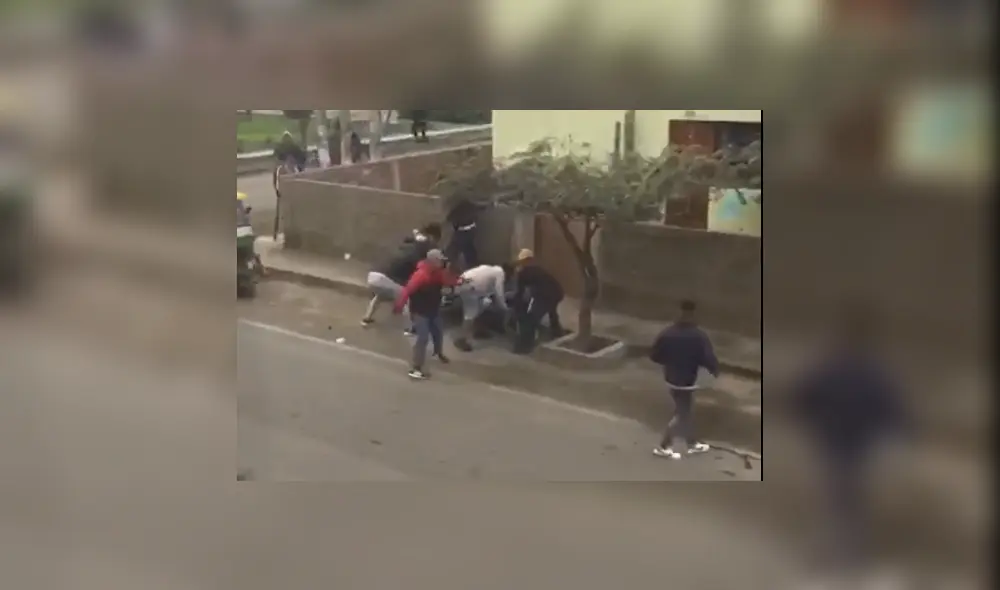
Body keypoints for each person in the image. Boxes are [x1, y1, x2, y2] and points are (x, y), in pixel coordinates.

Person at [789, 305, 909, 577]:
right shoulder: (874, 372)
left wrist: (808, 420)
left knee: (833, 496)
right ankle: (849, 556)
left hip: (832, 442)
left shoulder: (832, 366)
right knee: (850, 499)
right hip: (857, 446)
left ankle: (829, 554)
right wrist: (899, 435)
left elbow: (802, 396)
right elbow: (893, 410)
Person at [648, 300, 720, 459]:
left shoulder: (667, 333)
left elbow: (654, 355)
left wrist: (669, 361)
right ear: (693, 314)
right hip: (687, 380)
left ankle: (692, 443)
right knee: (682, 413)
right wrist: (715, 371)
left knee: (684, 410)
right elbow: (707, 358)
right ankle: (664, 446)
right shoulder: (699, 336)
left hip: (671, 378)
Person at [393, 249, 461, 379]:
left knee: (438, 332)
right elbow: (407, 291)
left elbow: (448, 281)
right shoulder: (421, 275)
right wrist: (399, 306)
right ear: (433, 261)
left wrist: (459, 282)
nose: (443, 262)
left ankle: (438, 353)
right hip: (420, 311)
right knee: (423, 338)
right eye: (440, 260)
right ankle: (416, 368)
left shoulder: (439, 273)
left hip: (433, 309)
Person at [361, 223, 442, 331]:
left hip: (373, 275)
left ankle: (366, 318)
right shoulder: (425, 247)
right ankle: (410, 328)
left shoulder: (409, 244)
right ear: (432, 237)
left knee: (381, 294)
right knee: (407, 299)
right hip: (385, 278)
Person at [511, 249, 565, 354]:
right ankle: (557, 331)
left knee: (532, 318)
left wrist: (518, 310)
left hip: (546, 296)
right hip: (557, 292)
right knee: (551, 310)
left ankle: (525, 346)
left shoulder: (523, 273)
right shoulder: (539, 269)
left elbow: (520, 293)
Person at [452, 264, 509, 352]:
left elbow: (490, 289)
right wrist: (504, 307)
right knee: (470, 314)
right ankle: (466, 341)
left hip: (465, 283)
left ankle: (477, 329)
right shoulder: (500, 273)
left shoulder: (490, 270)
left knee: (486, 302)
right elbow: (499, 291)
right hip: (468, 287)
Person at [444, 196, 483, 271]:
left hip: (461, 232)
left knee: (455, 249)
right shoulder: (472, 207)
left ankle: (447, 264)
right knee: (468, 249)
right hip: (470, 231)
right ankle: (473, 265)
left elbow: (449, 219)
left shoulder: (457, 210)